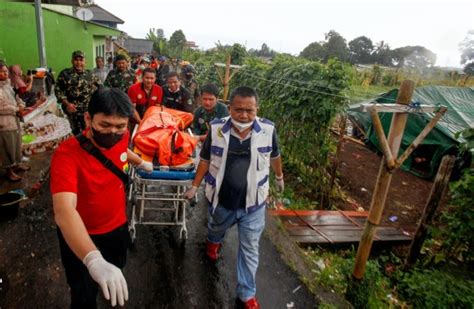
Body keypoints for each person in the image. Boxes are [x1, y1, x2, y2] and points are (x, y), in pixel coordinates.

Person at [50, 87, 153, 308]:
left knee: (113, 281)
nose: (113, 132)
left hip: (117, 229)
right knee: (83, 295)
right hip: (80, 238)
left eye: (120, 126)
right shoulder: (66, 155)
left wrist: (140, 162)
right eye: (105, 125)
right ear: (88, 119)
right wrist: (92, 258)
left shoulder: (122, 136)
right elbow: (64, 211)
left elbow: (122, 150)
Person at [184, 86, 284, 309]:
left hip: (253, 204)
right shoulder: (217, 128)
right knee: (216, 227)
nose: (244, 115)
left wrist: (279, 176)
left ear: (257, 108)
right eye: (239, 110)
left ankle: (246, 294)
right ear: (230, 108)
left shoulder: (268, 130)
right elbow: (205, 159)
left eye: (250, 110)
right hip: (222, 200)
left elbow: (275, 155)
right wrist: (194, 186)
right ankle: (213, 240)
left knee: (250, 249)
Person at [55, 50, 101, 135]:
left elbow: (101, 88)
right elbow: (58, 91)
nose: (78, 62)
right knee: (74, 133)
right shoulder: (65, 74)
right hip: (72, 111)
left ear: (85, 62)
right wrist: (67, 104)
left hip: (87, 111)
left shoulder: (90, 75)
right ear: (72, 61)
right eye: (76, 60)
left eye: (81, 60)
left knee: (88, 132)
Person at [0, 62, 30, 182]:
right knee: (7, 147)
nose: (5, 73)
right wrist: (17, 109)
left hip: (14, 120)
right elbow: (1, 106)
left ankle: (16, 165)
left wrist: (21, 104)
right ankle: (9, 171)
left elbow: (16, 97)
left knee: (16, 144)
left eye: (6, 71)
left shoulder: (7, 85)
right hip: (4, 123)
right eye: (2, 71)